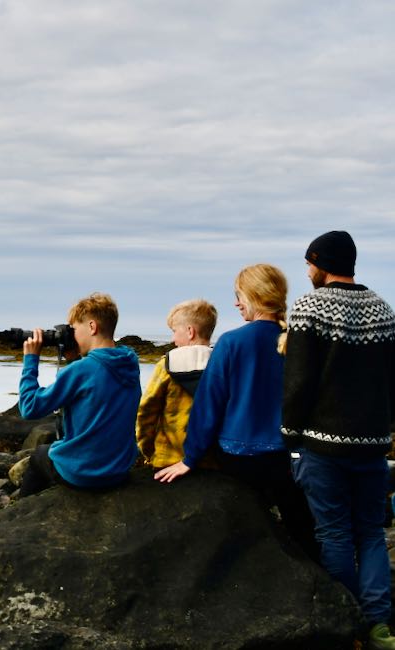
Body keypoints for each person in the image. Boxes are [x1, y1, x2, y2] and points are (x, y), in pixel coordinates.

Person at [153, 264, 317, 558]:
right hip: (290, 458)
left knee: (245, 529)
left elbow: (208, 406)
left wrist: (190, 458)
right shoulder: (300, 341)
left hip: (240, 458)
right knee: (302, 530)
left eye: (239, 295)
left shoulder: (231, 342)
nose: (236, 303)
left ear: (254, 296)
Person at [282, 231, 395, 649]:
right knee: (370, 533)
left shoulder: (309, 306)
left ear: (321, 262)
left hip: (323, 444)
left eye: (309, 263)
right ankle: (379, 624)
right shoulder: (383, 308)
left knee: (333, 535)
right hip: (372, 443)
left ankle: (346, 622)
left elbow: (298, 380)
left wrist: (289, 433)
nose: (307, 271)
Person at [18, 292, 141, 495]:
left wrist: (31, 360)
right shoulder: (130, 363)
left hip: (85, 474)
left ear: (92, 327)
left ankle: (20, 514)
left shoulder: (81, 370)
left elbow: (29, 408)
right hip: (119, 470)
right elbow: (94, 386)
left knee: (40, 455)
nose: (71, 335)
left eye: (74, 329)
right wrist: (73, 360)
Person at [136, 299, 217, 469]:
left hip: (168, 458)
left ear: (190, 332)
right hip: (211, 460)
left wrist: (147, 450)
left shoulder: (167, 364)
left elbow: (147, 412)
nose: (173, 339)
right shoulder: (221, 364)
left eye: (174, 331)